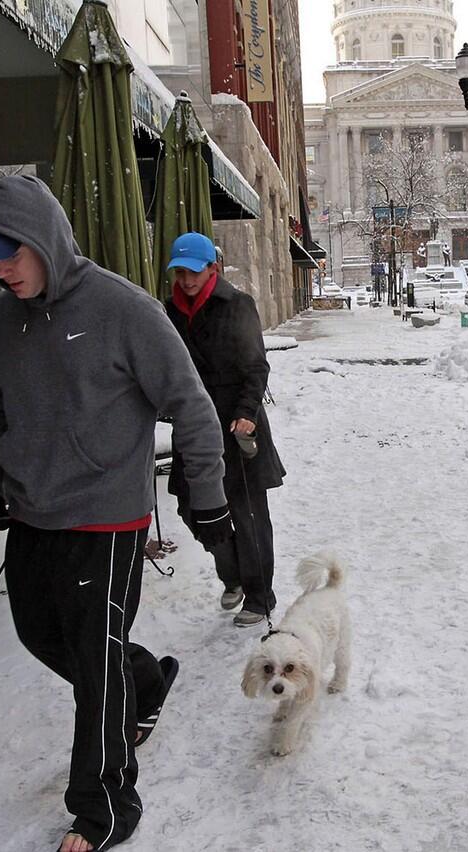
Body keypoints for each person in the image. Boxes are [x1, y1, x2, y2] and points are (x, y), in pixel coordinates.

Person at [0, 176, 233, 852]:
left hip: (107, 516)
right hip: (33, 511)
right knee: (40, 635)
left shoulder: (122, 309)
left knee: (91, 658)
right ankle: (143, 678)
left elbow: (192, 405)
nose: (2, 271)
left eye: (12, 256)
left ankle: (105, 805)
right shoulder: (5, 317)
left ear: (45, 240)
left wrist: (210, 497)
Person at [163, 232, 286, 628]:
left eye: (192, 272)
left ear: (212, 269)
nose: (185, 280)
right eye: (179, 272)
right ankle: (232, 570)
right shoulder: (169, 313)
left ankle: (259, 595)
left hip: (237, 424)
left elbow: (256, 366)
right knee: (191, 505)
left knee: (247, 512)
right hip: (194, 426)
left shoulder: (237, 306)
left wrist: (247, 412)